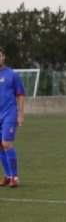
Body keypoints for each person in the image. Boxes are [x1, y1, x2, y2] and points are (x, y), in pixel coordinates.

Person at [0, 46, 25, 188]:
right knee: (0, 146)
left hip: (9, 114)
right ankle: (8, 176)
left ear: (4, 57)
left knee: (6, 143)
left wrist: (20, 114)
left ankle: (15, 176)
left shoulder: (12, 75)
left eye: (0, 55)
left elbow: (20, 95)